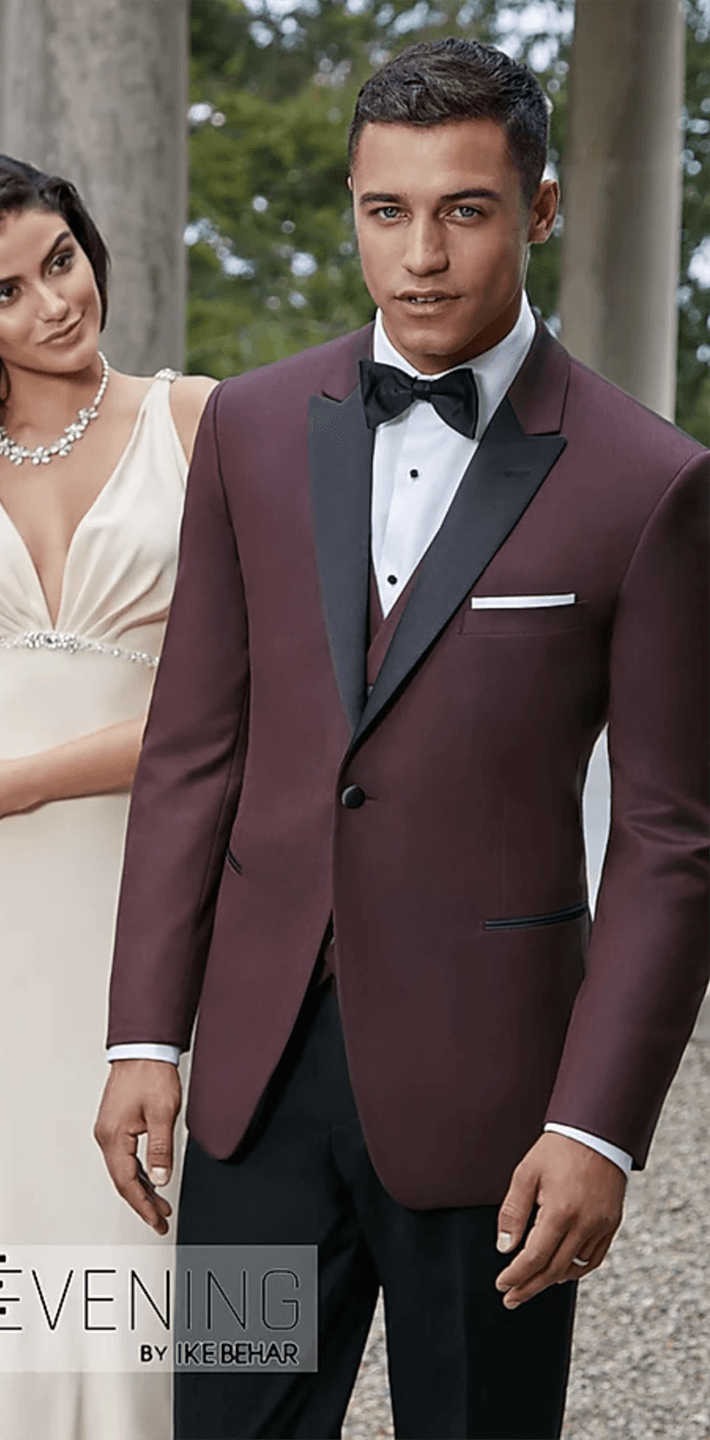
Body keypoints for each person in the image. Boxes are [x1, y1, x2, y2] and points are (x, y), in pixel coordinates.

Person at [96, 37, 708, 1440]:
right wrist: (143, 1036)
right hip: (254, 1097)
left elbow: (670, 841)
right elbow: (193, 751)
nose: (419, 257)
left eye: (463, 211)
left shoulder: (649, 482)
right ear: (354, 210)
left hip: (495, 1108)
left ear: (536, 210)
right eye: (386, 211)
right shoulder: (251, 430)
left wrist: (596, 1127)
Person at [0, 155, 217, 1440]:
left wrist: (22, 782)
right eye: (7, 291)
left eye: (60, 260)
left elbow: (238, 700)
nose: (53, 304)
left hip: (140, 889)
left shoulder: (199, 422)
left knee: (140, 1245)